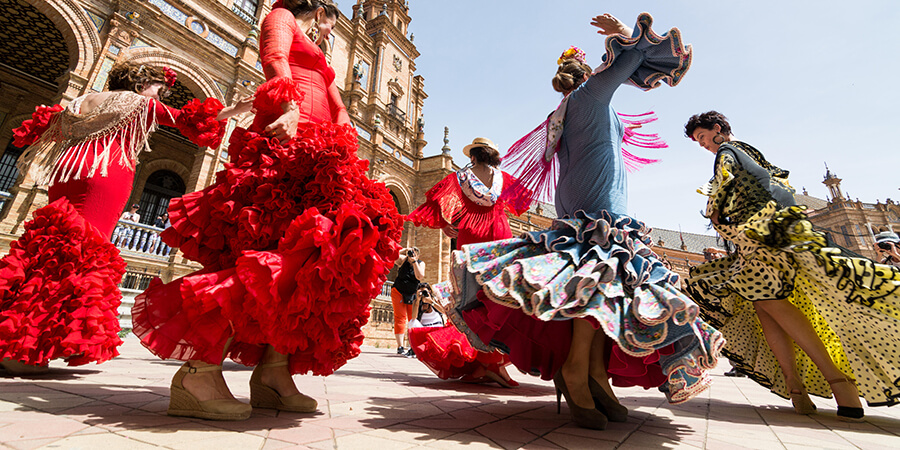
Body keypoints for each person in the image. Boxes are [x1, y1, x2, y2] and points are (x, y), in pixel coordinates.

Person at [448, 13, 724, 430]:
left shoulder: (566, 108)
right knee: (599, 278)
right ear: (587, 73)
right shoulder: (591, 94)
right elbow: (635, 58)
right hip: (598, 199)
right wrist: (622, 34)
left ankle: (594, 373)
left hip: (588, 195)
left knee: (600, 283)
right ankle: (577, 368)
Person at [131, 0, 403, 421]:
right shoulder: (281, 17)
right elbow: (275, 58)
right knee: (266, 256)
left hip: (323, 154)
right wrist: (291, 109)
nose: (330, 33)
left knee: (311, 259)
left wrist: (344, 137)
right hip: (287, 141)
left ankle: (274, 372)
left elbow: (337, 101)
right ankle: (198, 372)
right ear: (319, 12)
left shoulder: (319, 51)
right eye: (329, 23)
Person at [0, 61, 237, 375]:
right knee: (82, 254)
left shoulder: (83, 100)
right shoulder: (139, 103)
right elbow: (190, 119)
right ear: (141, 85)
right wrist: (241, 108)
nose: (159, 97)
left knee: (48, 247)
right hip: (106, 170)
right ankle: (26, 348)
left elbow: (47, 125)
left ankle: (13, 334)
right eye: (159, 90)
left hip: (68, 169)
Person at [683, 110, 900, 421]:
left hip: (757, 239)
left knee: (770, 303)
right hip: (769, 236)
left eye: (703, 137)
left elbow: (726, 187)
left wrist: (716, 214)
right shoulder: (750, 150)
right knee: (763, 306)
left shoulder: (727, 152)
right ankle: (795, 386)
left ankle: (837, 381)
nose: (703, 144)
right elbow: (776, 186)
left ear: (717, 128)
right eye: (698, 141)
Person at [407, 136, 532, 386]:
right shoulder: (503, 178)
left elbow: (435, 203)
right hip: (500, 236)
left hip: (471, 239)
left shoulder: (460, 178)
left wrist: (444, 225)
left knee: (470, 300)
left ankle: (482, 362)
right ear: (493, 157)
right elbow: (523, 201)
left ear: (472, 156)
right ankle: (494, 362)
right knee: (499, 300)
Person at [391, 247, 424, 357]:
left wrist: (414, 262)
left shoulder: (420, 263)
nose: (412, 254)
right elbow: (391, 254)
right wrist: (404, 249)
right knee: (399, 318)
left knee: (412, 319)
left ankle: (412, 346)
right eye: (411, 252)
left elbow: (420, 276)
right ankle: (400, 346)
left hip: (412, 294)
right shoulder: (403, 260)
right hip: (398, 291)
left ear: (418, 255)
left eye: (415, 253)